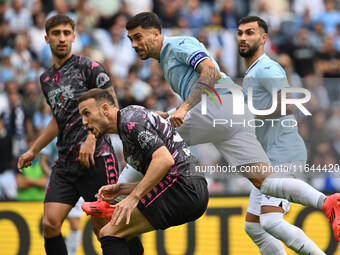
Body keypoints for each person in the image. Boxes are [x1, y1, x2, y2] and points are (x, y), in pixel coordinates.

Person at [121, 12, 340, 244]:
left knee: (152, 138)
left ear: (156, 33)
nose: (134, 45)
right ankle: (326, 202)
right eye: (130, 40)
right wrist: (175, 110)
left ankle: (112, 198)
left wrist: (184, 109)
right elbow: (198, 87)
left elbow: (212, 73)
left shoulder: (178, 43)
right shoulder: (169, 59)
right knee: (264, 183)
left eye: (138, 37)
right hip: (230, 113)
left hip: (219, 106)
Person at [16, 14, 136, 255]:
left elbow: (111, 105)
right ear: (46, 38)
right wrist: (33, 149)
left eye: (66, 33)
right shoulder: (46, 79)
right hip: (66, 162)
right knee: (49, 224)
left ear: (74, 36)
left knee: (105, 226)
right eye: (57, 33)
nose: (62, 38)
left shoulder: (88, 67)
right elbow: (57, 119)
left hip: (97, 157)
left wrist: (92, 138)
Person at [78, 88, 209, 255]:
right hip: (188, 188)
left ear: (105, 109)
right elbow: (161, 175)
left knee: (109, 233)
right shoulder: (129, 122)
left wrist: (132, 198)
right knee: (122, 233)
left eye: (87, 113)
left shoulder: (130, 121)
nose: (83, 121)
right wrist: (122, 189)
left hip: (182, 188)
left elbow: (164, 160)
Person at [237, 16, 325, 255]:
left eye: (250, 33)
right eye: (240, 33)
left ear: (263, 38)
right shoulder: (252, 72)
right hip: (267, 159)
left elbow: (287, 105)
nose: (243, 38)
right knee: (254, 227)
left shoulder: (267, 67)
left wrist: (250, 118)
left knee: (270, 222)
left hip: (283, 154)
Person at [40, 137, 84, 255]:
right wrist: (54, 176)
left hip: (78, 181)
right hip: (59, 182)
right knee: (50, 223)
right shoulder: (54, 136)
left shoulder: (85, 132)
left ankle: (71, 253)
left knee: (75, 224)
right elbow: (43, 160)